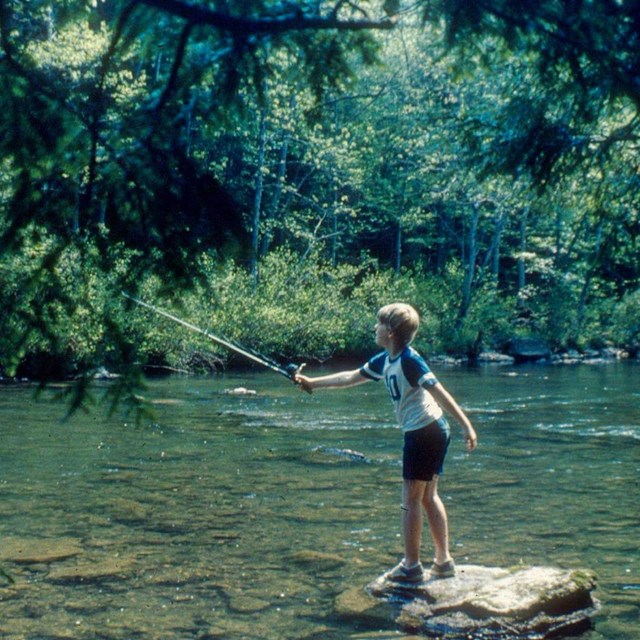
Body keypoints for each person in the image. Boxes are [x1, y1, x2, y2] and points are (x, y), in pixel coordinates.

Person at [294, 302, 477, 584]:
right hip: (433, 430)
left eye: (379, 324)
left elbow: (439, 392)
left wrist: (466, 425)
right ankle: (443, 562)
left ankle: (412, 566)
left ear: (390, 332)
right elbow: (350, 377)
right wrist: (313, 383)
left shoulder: (410, 360)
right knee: (427, 496)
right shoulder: (386, 359)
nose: (374, 328)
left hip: (424, 432)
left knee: (410, 500)